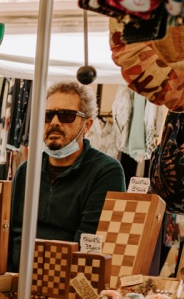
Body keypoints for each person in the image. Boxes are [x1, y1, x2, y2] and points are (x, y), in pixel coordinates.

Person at [8, 81, 127, 268]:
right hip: (16, 279)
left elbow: (89, 241)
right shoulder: (26, 171)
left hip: (66, 281)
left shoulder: (106, 171)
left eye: (66, 115)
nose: (54, 122)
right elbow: (11, 233)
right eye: (47, 115)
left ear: (87, 125)